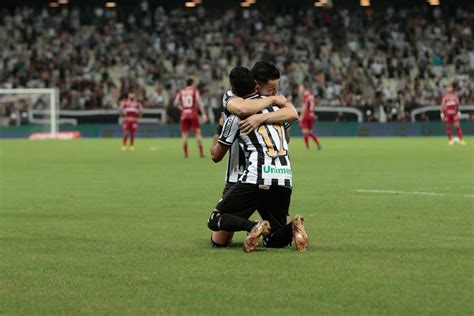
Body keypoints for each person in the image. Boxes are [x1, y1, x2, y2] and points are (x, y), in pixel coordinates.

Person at [208, 66, 309, 252]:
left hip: (251, 174)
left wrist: (260, 119)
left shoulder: (237, 116)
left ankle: (254, 225)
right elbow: (286, 129)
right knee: (275, 239)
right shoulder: (240, 101)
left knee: (216, 225)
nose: (276, 94)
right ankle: (293, 227)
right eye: (271, 90)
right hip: (280, 174)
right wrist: (271, 107)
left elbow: (215, 156)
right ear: (256, 85)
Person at [174, 79, 208, 158]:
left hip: (184, 114)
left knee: (185, 134)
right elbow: (199, 102)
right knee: (197, 132)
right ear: (192, 84)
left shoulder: (181, 92)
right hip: (193, 113)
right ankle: (201, 153)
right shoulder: (194, 91)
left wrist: (182, 109)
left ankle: (186, 154)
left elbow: (175, 103)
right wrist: (203, 114)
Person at [299, 83, 321, 150]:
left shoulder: (305, 96)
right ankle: (318, 144)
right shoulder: (311, 96)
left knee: (305, 132)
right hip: (311, 115)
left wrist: (301, 116)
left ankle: (307, 147)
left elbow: (304, 107)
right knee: (310, 132)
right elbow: (313, 106)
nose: (300, 89)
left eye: (301, 87)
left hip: (306, 115)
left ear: (304, 88)